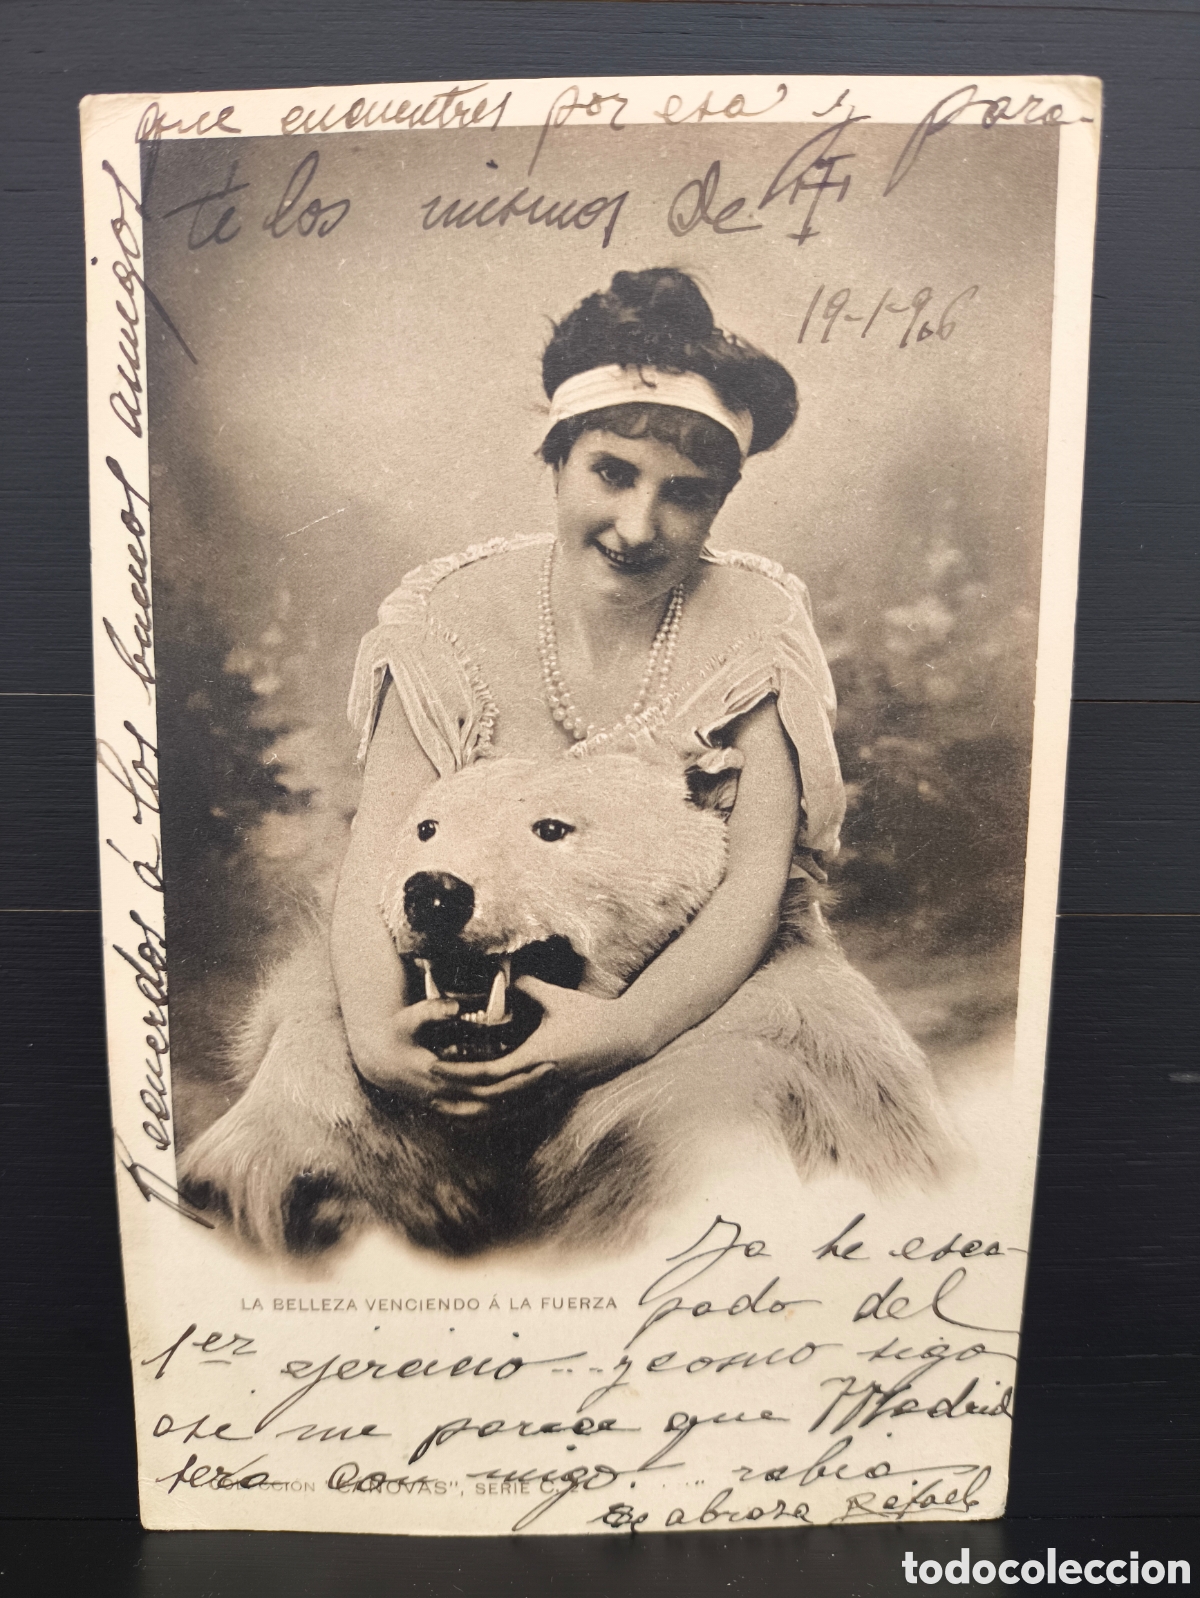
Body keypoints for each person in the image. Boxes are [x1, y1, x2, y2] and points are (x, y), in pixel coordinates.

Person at [332, 267, 847, 1125]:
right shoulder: (444, 617)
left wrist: (630, 1027)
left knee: (721, 1128)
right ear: (558, 456)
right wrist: (376, 1042)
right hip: (453, 979)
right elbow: (371, 861)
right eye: (613, 473)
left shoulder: (758, 625)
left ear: (721, 500)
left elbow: (758, 882)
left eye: (685, 495)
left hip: (691, 990)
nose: (640, 527)